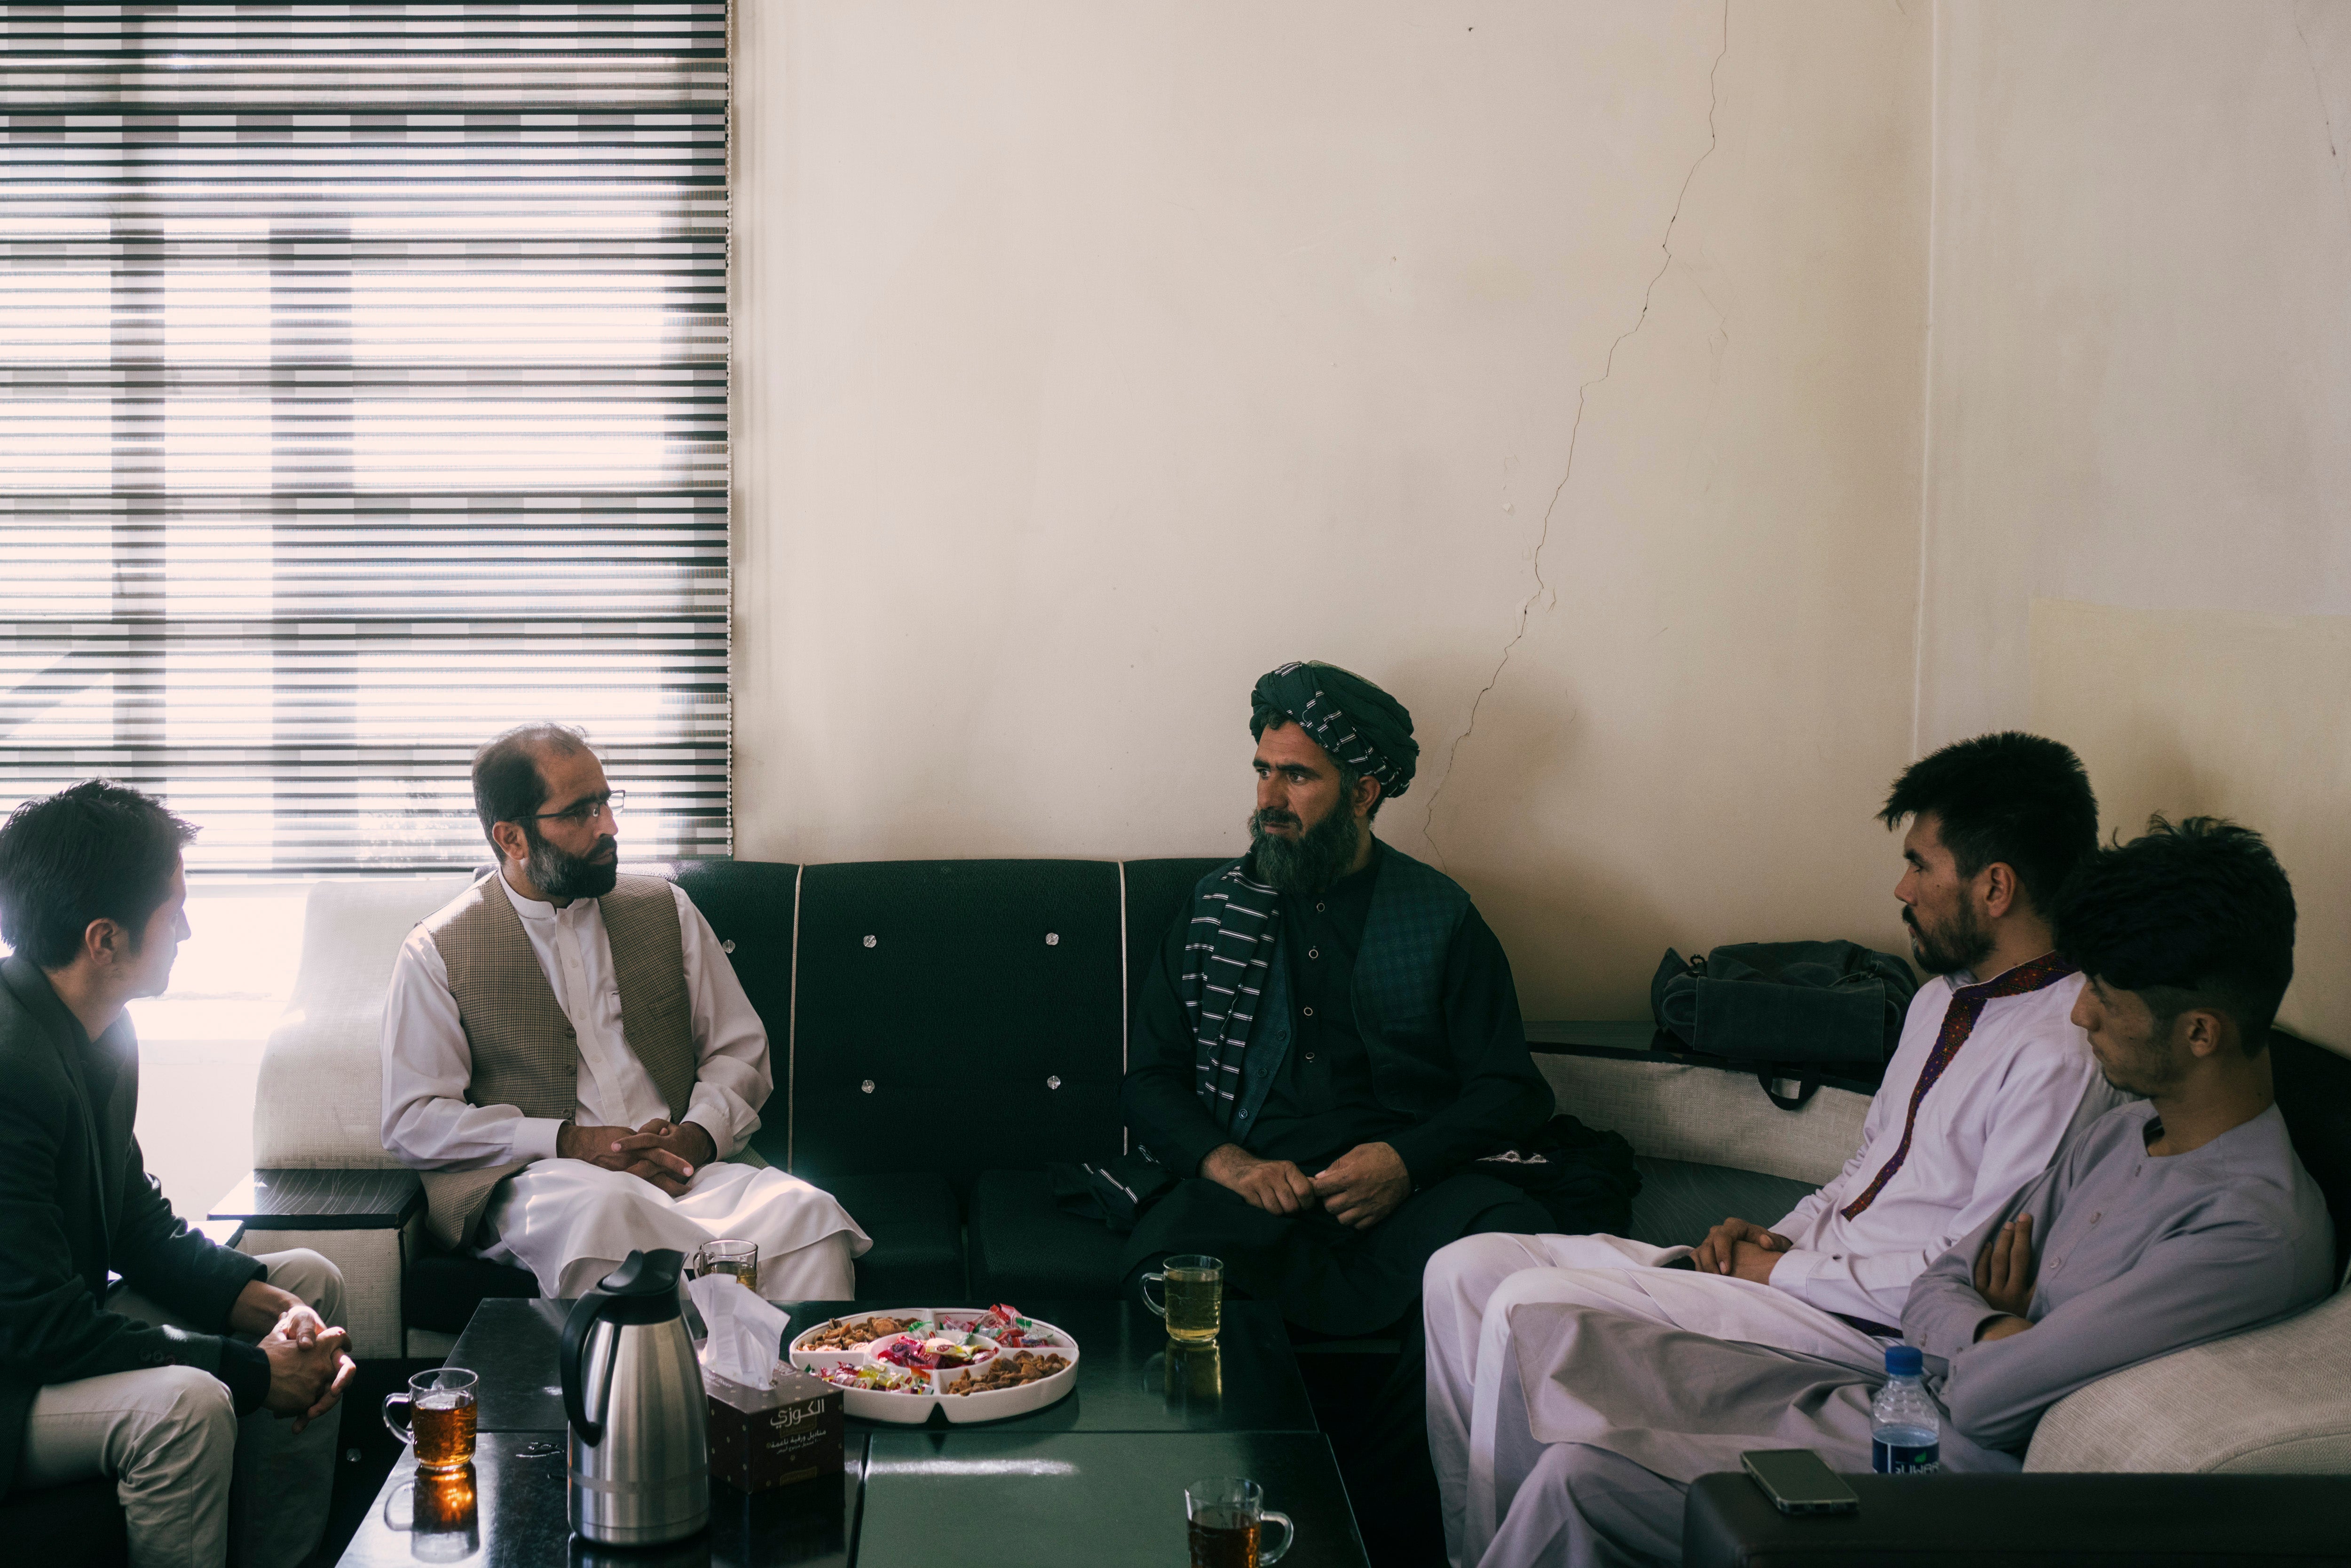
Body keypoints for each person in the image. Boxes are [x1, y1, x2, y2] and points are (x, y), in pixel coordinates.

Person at [1475, 816, 2334, 1568]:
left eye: (2104, 999)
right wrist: (2003, 1328)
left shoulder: (2247, 1229)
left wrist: (1985, 1332)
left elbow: (1992, 1397)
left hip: (1950, 1489)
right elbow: (1940, 1281)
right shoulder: (2124, 1129)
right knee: (1554, 1361)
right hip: (1902, 1403)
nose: (2079, 1016)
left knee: (1583, 1483)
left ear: (2200, 1032)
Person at [1426, 732, 2125, 1568]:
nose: (1901, 889)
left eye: (1921, 866)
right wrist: (1777, 1236)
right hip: (1800, 1278)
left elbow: (1969, 1278)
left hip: (1863, 1329)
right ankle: (1482, 1548)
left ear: (1996, 886)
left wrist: (1781, 1275)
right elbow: (1863, 1173)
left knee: (1526, 1308)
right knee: (1464, 1274)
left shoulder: (2062, 1048)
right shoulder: (1941, 1000)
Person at [380, 724, 869, 1300]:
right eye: (581, 811)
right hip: (548, 1183)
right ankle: (656, 1389)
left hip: (688, 1170)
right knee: (608, 1215)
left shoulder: (665, 908)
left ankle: (789, 1391)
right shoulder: (438, 948)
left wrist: (697, 1135)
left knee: (807, 1216)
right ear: (511, 838)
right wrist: (566, 1141)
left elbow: (738, 1049)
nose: (609, 825)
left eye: (607, 802)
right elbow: (413, 1119)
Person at [0, 782, 356, 1568]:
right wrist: (253, 1372)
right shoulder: (9, 1068)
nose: (188, 929)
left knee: (311, 1280)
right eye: (174, 910)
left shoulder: (101, 1031)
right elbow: (37, 1330)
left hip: (46, 1335)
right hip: (13, 1379)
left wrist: (261, 1300)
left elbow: (137, 1225)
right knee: (188, 1405)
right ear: (106, 939)